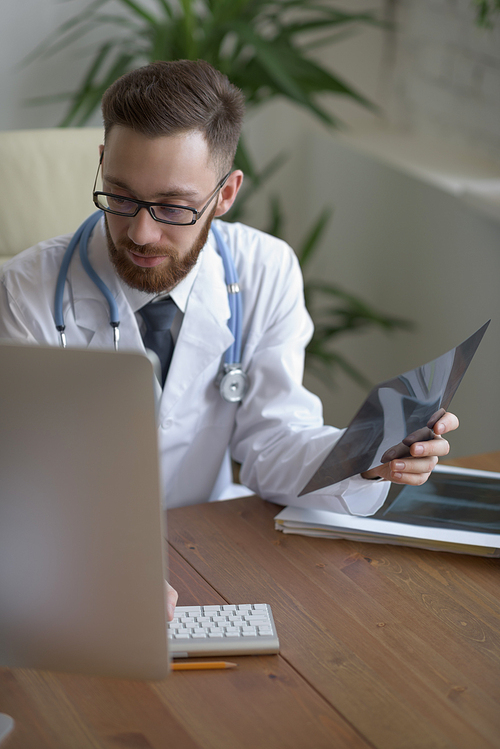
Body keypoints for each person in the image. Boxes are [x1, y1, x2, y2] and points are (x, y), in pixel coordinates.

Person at [0, 60, 459, 617]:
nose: (141, 233)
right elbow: (25, 483)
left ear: (225, 194)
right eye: (120, 197)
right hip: (70, 572)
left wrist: (367, 455)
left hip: (209, 555)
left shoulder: (264, 271)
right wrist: (102, 565)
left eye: (172, 207)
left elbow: (273, 443)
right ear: (102, 163)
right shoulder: (27, 290)